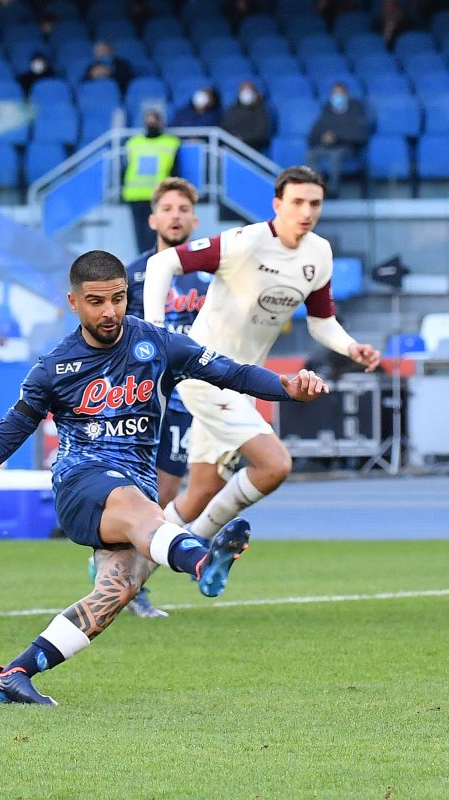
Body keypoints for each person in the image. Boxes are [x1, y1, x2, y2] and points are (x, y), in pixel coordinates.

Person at [0, 250, 328, 705]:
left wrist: (285, 389)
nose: (109, 311)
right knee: (140, 511)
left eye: (118, 299)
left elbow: (232, 372)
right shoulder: (54, 368)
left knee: (118, 589)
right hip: (81, 484)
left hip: (134, 490)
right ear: (73, 302)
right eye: (96, 301)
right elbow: (6, 436)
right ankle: (201, 562)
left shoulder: (157, 344)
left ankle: (15, 674)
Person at [143, 166, 381, 542]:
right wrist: (156, 330)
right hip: (204, 373)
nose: (306, 212)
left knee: (203, 490)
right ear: (277, 205)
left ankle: (132, 559)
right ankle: (199, 549)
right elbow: (161, 263)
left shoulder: (319, 253)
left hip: (244, 381)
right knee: (275, 465)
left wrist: (350, 346)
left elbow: (322, 322)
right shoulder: (244, 243)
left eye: (315, 204)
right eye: (297, 202)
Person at [106, 176, 208, 618]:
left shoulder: (211, 276)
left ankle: (134, 574)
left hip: (192, 398)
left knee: (169, 495)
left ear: (195, 220)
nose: (175, 216)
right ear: (152, 219)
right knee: (137, 491)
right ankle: (124, 578)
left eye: (183, 209)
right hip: (143, 398)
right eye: (167, 209)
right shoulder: (132, 275)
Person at [122, 109, 180, 253]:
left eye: (154, 119)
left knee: (156, 232)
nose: (151, 123)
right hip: (135, 195)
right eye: (149, 119)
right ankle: (144, 260)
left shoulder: (171, 143)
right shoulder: (133, 143)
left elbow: (175, 171)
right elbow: (125, 168)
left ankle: (154, 259)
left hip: (158, 195)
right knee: (140, 235)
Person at [304, 83, 369, 199]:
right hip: (326, 146)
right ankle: (318, 187)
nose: (337, 97)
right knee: (310, 155)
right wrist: (323, 138)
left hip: (346, 147)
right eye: (335, 94)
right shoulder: (326, 111)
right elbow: (314, 134)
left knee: (335, 156)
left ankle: (333, 191)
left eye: (340, 94)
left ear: (346, 95)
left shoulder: (355, 111)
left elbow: (360, 136)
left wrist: (337, 138)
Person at [220, 80, 271, 152]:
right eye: (243, 90)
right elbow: (224, 127)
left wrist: (242, 139)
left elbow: (262, 134)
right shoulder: (232, 109)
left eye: (249, 91)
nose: (246, 93)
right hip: (230, 147)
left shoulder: (261, 111)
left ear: (255, 93)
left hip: (252, 148)